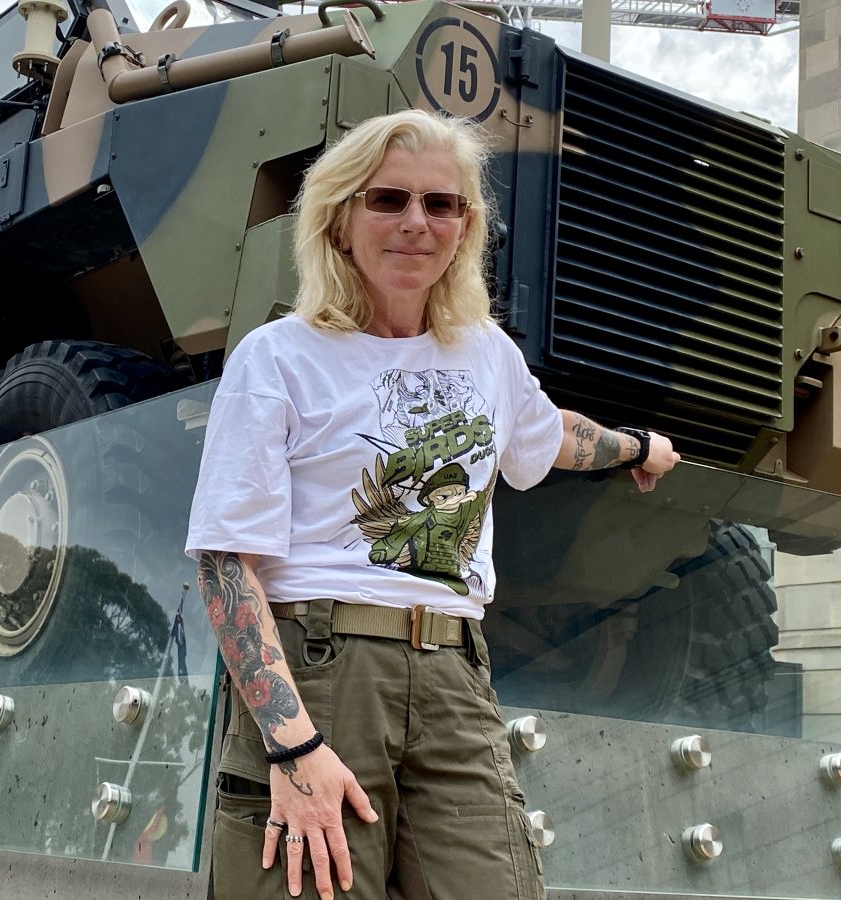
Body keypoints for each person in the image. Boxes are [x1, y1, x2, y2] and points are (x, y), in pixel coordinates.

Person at [184, 109, 679, 900]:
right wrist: (291, 745)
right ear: (340, 221)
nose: (416, 222)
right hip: (322, 669)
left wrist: (636, 446)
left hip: (456, 672)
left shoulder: (486, 352)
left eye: (441, 205)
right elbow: (223, 562)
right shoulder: (277, 358)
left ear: (464, 228)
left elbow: (549, 436)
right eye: (388, 200)